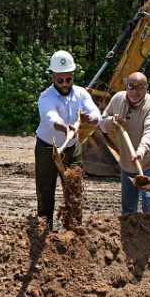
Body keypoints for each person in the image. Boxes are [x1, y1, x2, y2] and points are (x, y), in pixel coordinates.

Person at [35, 50, 100, 230]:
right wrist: (65, 127)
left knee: (74, 190)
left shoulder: (80, 94)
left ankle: (74, 229)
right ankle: (45, 228)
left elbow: (96, 114)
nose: (64, 84)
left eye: (68, 80)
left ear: (73, 76)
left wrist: (91, 119)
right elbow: (50, 117)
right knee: (45, 190)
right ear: (53, 77)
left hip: (72, 148)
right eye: (60, 80)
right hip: (48, 148)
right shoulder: (46, 97)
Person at [99, 71, 150, 216]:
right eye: (131, 86)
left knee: (148, 199)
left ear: (146, 88)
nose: (134, 91)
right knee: (128, 207)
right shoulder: (117, 99)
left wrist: (141, 151)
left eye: (139, 87)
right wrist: (113, 121)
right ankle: (131, 234)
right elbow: (103, 125)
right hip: (128, 161)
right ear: (126, 86)